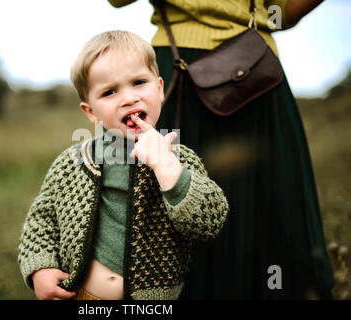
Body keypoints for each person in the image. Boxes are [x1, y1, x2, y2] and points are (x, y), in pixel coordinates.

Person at [107, 0, 334, 299]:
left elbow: (279, 11)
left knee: (264, 216)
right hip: (214, 68)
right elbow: (282, 12)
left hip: (242, 72)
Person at [17, 30, 229, 300]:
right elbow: (41, 219)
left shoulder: (177, 157)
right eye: (110, 92)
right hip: (83, 295)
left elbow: (211, 219)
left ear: (160, 89)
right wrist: (41, 268)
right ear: (91, 111)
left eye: (139, 82)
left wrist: (166, 166)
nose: (128, 98)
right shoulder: (74, 161)